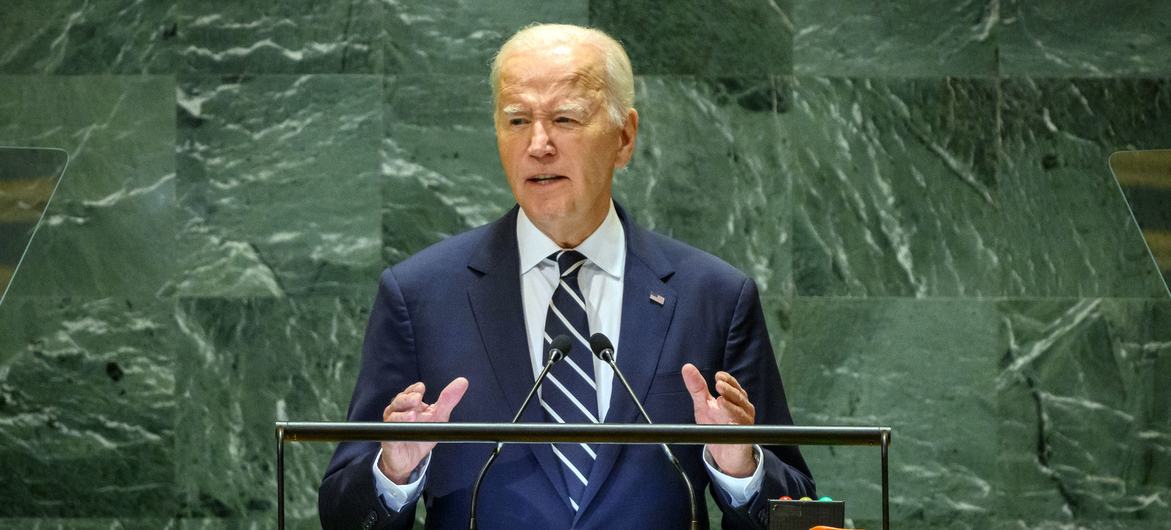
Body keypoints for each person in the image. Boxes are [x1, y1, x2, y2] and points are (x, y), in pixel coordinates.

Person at [318, 23, 814, 530]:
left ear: (624, 138)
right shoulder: (419, 295)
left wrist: (742, 466)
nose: (538, 144)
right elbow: (342, 514)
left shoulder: (713, 297)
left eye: (565, 118)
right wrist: (393, 471)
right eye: (516, 120)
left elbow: (798, 515)